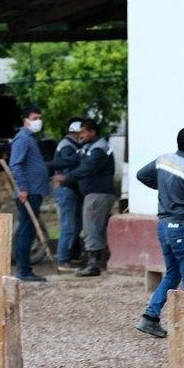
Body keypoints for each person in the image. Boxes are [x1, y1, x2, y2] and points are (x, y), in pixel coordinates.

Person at [135, 127, 184, 341]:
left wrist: (164, 188)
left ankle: (150, 318)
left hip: (163, 225)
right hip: (182, 228)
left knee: (172, 274)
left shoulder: (163, 160)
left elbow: (141, 175)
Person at [59, 119, 116, 278]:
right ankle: (100, 261)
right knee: (96, 228)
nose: (80, 135)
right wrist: (47, 166)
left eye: (83, 132)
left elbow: (87, 169)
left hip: (98, 194)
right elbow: (70, 160)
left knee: (91, 228)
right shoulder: (89, 147)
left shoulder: (98, 149)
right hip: (95, 194)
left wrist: (66, 178)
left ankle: (93, 265)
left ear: (92, 132)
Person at [8, 105, 50, 282]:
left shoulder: (31, 138)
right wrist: (23, 188)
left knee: (28, 230)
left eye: (39, 117)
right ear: (25, 120)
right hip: (29, 192)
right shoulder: (22, 139)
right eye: (34, 118)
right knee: (26, 231)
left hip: (34, 191)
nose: (37, 121)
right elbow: (15, 165)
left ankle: (24, 268)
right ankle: (24, 270)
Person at [50, 118, 84, 271]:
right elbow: (68, 166)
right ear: (77, 133)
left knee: (74, 225)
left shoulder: (71, 145)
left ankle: (70, 256)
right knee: (68, 226)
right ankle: (63, 260)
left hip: (69, 189)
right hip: (65, 189)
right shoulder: (68, 147)